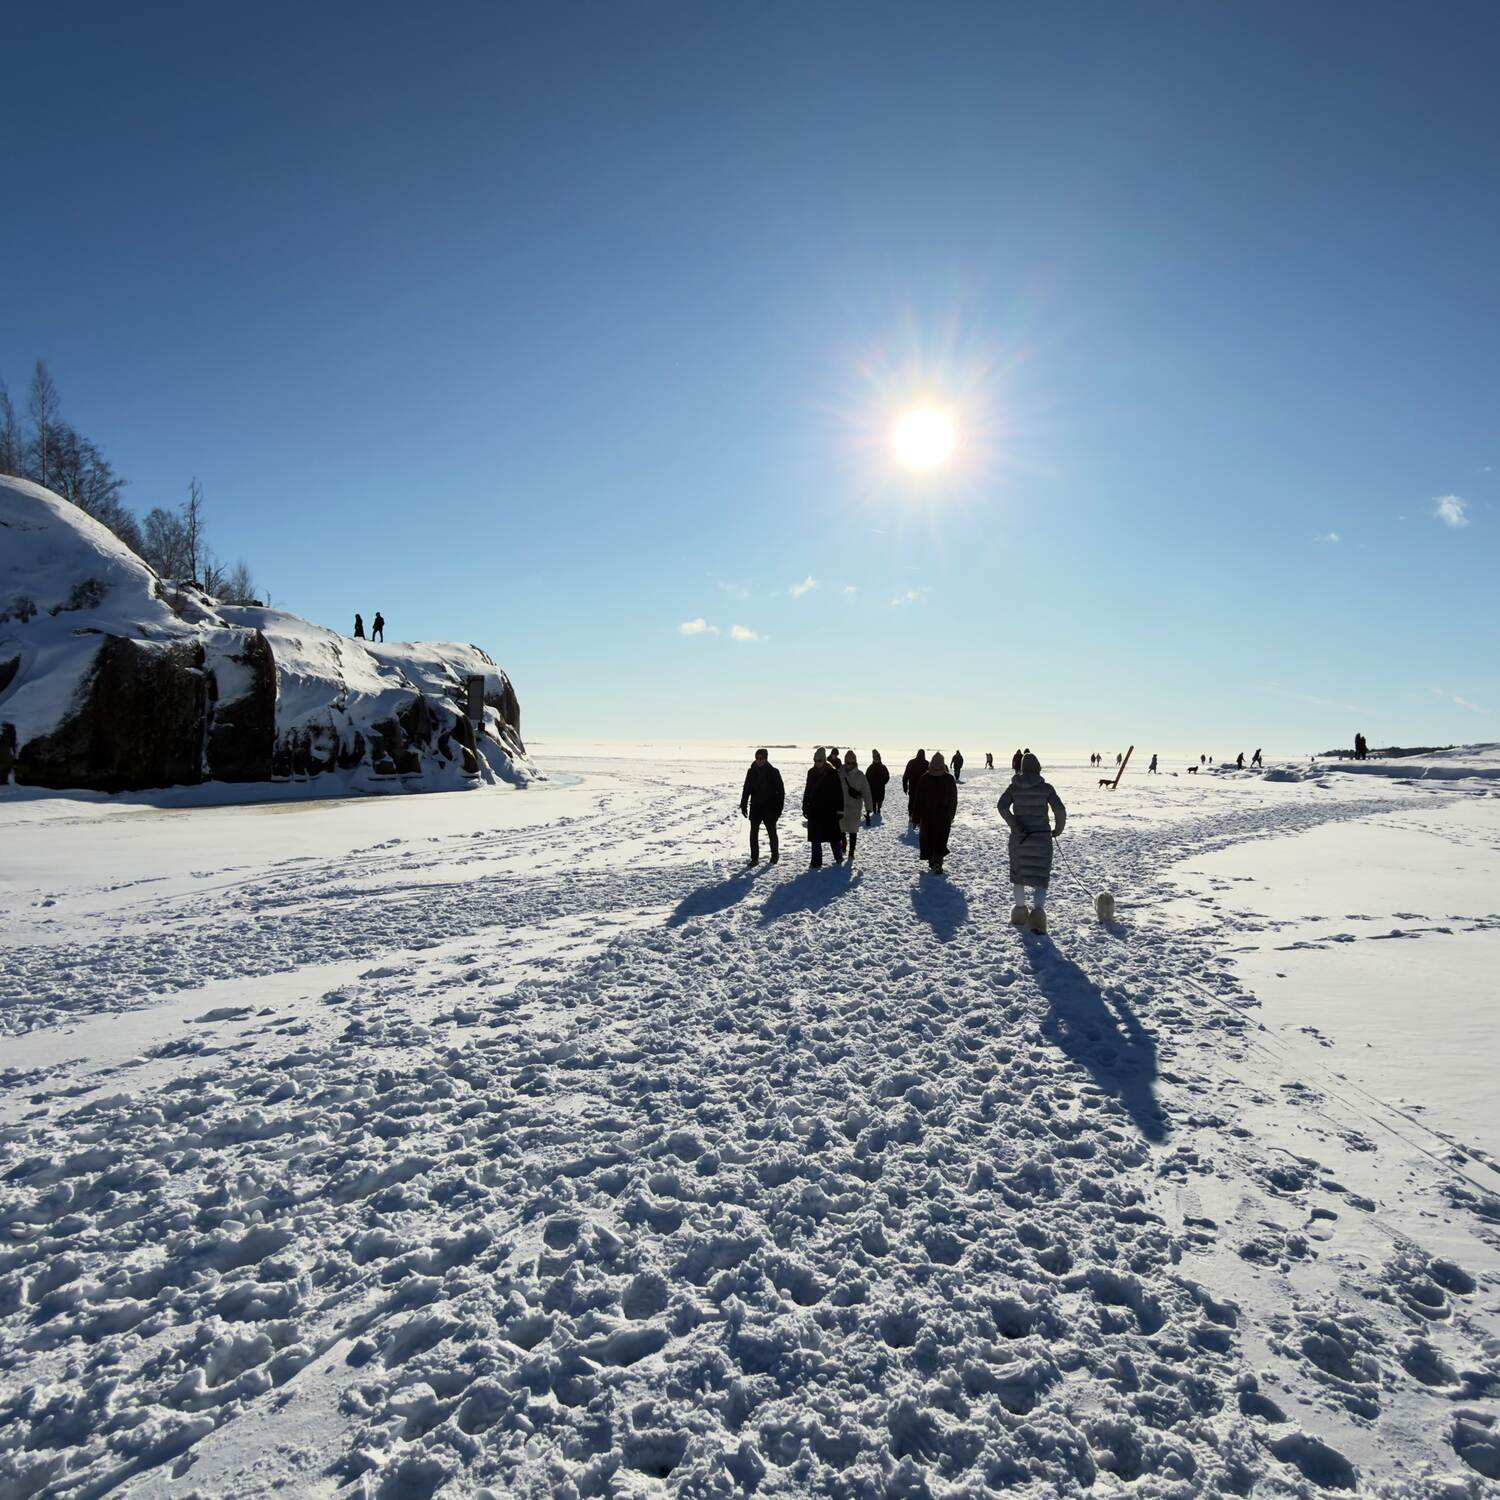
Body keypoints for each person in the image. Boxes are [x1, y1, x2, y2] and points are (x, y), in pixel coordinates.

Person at [998, 752, 1067, 935]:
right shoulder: (1046, 788)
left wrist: (1015, 825)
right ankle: (1037, 916)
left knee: (1019, 876)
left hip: (1019, 839)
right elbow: (1060, 810)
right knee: (1040, 878)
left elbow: (1002, 806)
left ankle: (1019, 914)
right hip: (1042, 838)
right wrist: (1057, 830)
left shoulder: (1013, 788)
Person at [914, 751, 958, 873]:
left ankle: (935, 861)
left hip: (929, 815)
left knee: (931, 838)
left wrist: (916, 817)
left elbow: (918, 800)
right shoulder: (948, 778)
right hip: (942, 815)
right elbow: (953, 799)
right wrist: (951, 814)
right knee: (940, 838)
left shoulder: (925, 778)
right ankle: (936, 861)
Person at [740, 748, 784, 866]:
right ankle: (754, 858)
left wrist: (779, 809)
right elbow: (746, 789)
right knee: (753, 833)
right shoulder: (751, 771)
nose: (759, 760)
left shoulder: (774, 772)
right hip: (755, 807)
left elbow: (781, 792)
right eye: (757, 758)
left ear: (766, 758)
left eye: (761, 758)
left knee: (772, 833)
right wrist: (743, 804)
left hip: (770, 808)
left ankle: (774, 856)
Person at [802, 748, 845, 868]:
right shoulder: (811, 772)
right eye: (815, 760)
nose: (817, 762)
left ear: (824, 759)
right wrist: (805, 806)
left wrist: (840, 810)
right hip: (815, 810)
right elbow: (807, 790)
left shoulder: (832, 772)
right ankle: (816, 862)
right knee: (815, 837)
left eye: (819, 760)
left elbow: (838, 793)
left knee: (833, 836)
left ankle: (839, 856)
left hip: (829, 810)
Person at [838, 750, 875, 862]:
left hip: (854, 807)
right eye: (847, 763)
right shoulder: (839, 773)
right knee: (841, 829)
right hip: (841, 806)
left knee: (853, 831)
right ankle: (843, 843)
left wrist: (869, 808)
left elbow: (866, 792)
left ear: (855, 762)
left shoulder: (860, 775)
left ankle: (851, 852)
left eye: (852, 763)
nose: (849, 765)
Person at [902, 748, 929, 829]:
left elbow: (905, 776)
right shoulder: (927, 763)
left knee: (912, 802)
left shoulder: (911, 762)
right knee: (921, 803)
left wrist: (905, 787)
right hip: (923, 789)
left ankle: (911, 816)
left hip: (913, 787)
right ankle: (919, 818)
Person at [865, 750, 890, 818]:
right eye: (875, 759)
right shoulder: (870, 767)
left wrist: (883, 782)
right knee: (873, 799)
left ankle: (879, 809)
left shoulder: (883, 767)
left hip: (880, 787)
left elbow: (887, 776)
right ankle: (874, 810)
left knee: (880, 799)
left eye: (877, 759)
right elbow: (866, 777)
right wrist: (868, 784)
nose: (876, 760)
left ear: (879, 759)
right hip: (872, 787)